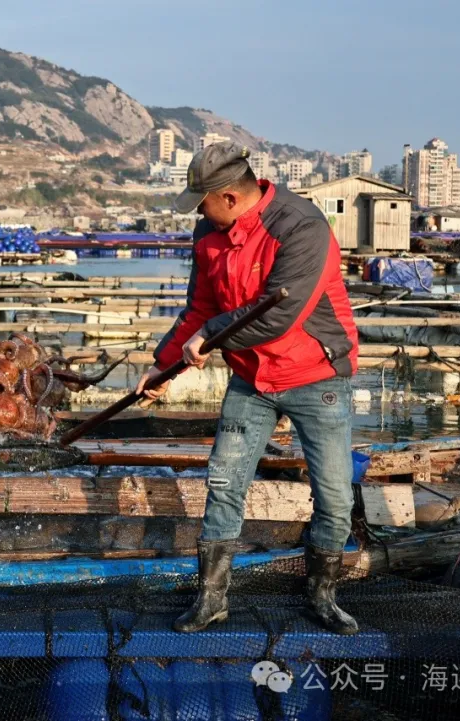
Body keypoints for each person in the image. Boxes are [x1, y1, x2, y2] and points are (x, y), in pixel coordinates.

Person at [136, 142, 360, 636]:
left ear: (230, 197)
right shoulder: (209, 234)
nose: (198, 212)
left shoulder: (301, 227)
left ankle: (322, 595)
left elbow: (279, 316)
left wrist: (210, 333)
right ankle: (212, 598)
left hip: (314, 375)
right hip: (251, 378)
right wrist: (164, 365)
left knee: (335, 493)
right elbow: (200, 307)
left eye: (202, 203)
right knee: (224, 482)